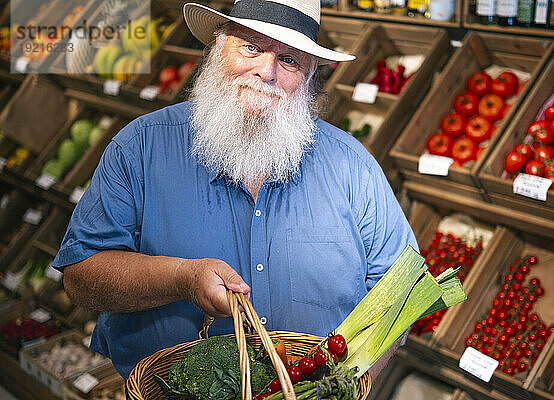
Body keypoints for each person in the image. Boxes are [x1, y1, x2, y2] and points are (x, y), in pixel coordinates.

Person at [53, 0, 418, 382]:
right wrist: (182, 278)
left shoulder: (352, 166)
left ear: (310, 74)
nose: (266, 71)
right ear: (217, 47)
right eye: (252, 47)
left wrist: (350, 386)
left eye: (290, 60)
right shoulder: (140, 148)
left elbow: (402, 291)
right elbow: (82, 278)